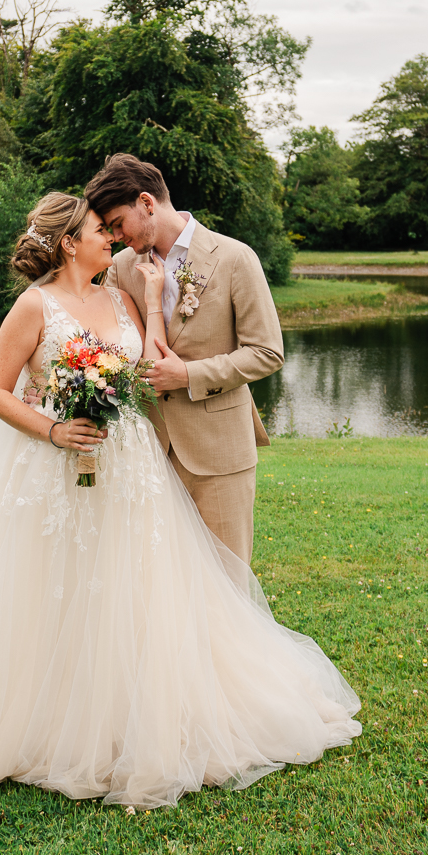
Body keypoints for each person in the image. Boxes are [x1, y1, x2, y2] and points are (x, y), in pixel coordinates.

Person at [0, 191, 360, 809]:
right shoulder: (33, 307)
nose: (112, 238)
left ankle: (145, 714)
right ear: (69, 242)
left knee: (136, 588)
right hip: (58, 468)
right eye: (100, 229)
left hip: (131, 467)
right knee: (64, 589)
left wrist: (148, 302)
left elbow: (151, 364)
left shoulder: (119, 294)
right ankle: (58, 722)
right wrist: (56, 429)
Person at [86, 153, 279, 562]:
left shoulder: (234, 257)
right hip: (149, 452)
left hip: (220, 452)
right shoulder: (121, 267)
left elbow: (266, 352)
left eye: (118, 223)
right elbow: (115, 352)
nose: (116, 236)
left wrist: (188, 374)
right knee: (162, 588)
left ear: (146, 203)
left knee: (227, 585)